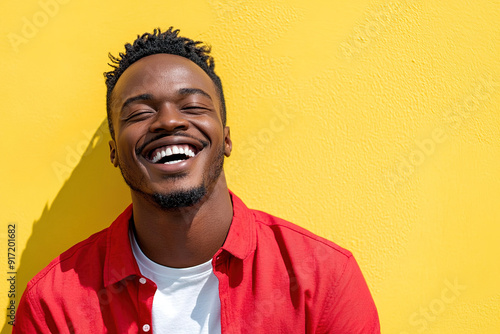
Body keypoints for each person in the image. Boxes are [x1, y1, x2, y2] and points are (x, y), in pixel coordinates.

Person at [14, 27, 380, 333]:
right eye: (140, 112)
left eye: (192, 106)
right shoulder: (53, 306)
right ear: (114, 153)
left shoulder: (323, 279)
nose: (168, 122)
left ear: (226, 137)